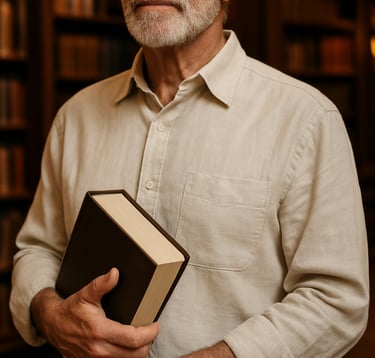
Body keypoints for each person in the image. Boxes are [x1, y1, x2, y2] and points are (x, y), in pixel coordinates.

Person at [10, 0, 369, 357]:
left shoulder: (306, 119)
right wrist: (52, 316)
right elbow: (39, 249)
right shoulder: (74, 118)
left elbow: (336, 300)